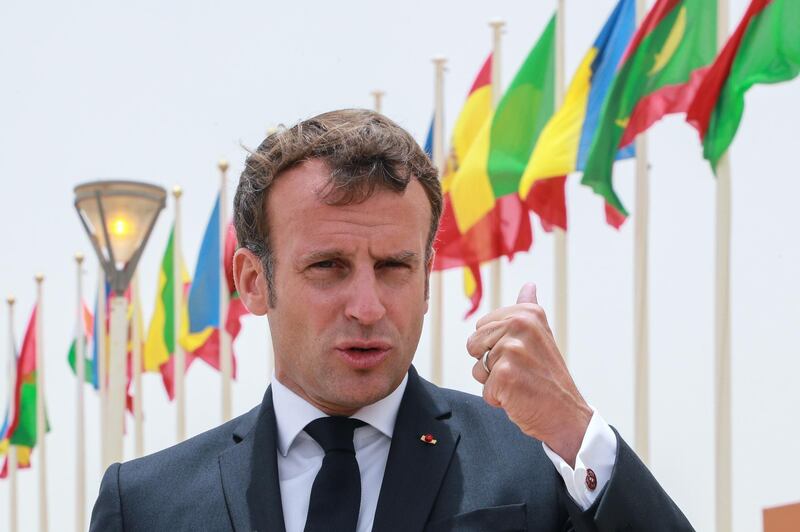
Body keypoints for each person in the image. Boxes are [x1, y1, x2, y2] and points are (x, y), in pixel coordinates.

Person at [90, 109, 693, 531]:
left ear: (426, 276)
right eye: (328, 266)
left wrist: (574, 428)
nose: (368, 306)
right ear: (253, 282)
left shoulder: (537, 464)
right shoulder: (146, 505)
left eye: (394, 267)